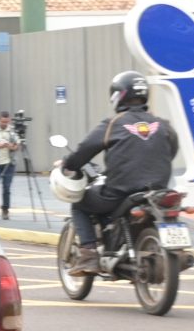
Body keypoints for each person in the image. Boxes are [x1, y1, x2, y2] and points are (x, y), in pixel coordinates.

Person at [58, 71, 181, 271]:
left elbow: (86, 149)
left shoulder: (114, 123)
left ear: (118, 95)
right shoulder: (162, 124)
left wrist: (69, 164)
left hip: (121, 190)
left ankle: (89, 254)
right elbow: (171, 150)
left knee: (80, 203)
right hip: (158, 190)